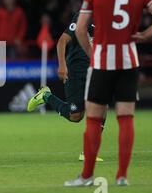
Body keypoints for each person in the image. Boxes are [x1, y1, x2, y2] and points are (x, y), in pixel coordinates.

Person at [64, 0, 152, 187]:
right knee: (126, 118)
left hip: (102, 60)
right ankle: (122, 176)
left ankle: (86, 176)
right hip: (128, 60)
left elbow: (81, 29)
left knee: (93, 119)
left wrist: (93, 54)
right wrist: (145, 35)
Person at [27, 12, 104, 162]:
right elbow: (62, 41)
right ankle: (45, 96)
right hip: (76, 72)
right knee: (75, 116)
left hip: (96, 70)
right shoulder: (84, 16)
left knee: (102, 107)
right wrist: (62, 66)